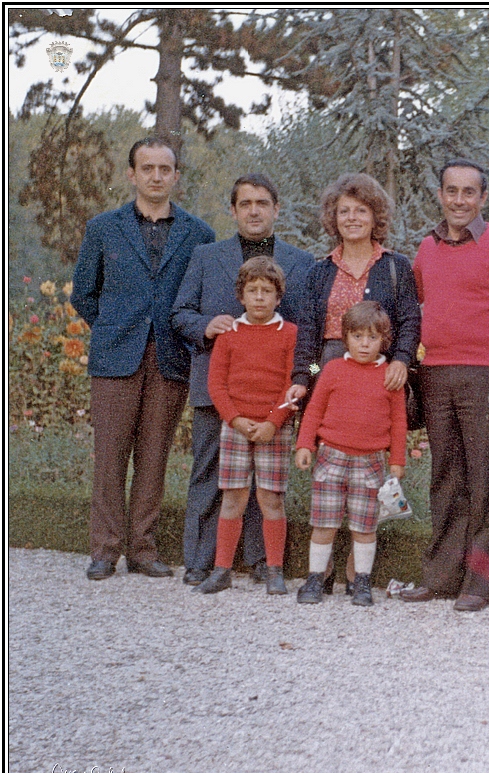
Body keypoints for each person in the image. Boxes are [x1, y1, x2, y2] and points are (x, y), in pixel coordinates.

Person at [71, 137, 216, 581]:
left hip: (171, 357)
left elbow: (198, 298)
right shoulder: (103, 228)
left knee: (154, 457)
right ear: (132, 174)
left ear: (176, 176)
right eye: (147, 168)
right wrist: (116, 327)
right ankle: (104, 549)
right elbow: (83, 294)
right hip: (116, 356)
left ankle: (143, 549)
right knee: (110, 456)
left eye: (164, 169)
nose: (156, 176)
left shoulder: (198, 233)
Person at [398, 159, 489, 612]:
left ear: (483, 198)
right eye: (451, 191)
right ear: (441, 194)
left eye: (469, 192)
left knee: (483, 479)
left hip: (487, 376)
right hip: (436, 373)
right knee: (444, 477)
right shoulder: (426, 248)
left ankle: (480, 582)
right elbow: (415, 310)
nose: (459, 200)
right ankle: (440, 576)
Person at [172, 173, 315, 587]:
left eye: (262, 202)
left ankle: (259, 561)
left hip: (273, 396)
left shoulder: (301, 261)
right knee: (211, 475)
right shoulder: (206, 256)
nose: (254, 210)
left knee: (266, 486)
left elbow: (304, 328)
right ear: (233, 210)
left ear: (276, 209)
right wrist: (206, 324)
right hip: (219, 390)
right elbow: (179, 312)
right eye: (245, 203)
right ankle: (202, 559)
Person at [285, 173, 420, 594]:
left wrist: (401, 360)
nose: (352, 218)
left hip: (379, 371)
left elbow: (411, 321)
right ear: (333, 218)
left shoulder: (396, 267)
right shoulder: (319, 270)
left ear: (375, 216)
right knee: (330, 473)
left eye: (361, 210)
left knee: (367, 473)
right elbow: (307, 330)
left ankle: (355, 569)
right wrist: (303, 379)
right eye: (344, 211)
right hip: (328, 371)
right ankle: (318, 571)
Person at [193, 257, 297, 596]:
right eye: (252, 291)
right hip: (236, 427)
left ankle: (275, 569)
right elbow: (216, 384)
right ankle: (222, 569)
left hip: (273, 428)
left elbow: (302, 374)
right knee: (233, 499)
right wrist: (235, 419)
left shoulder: (290, 334)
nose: (259, 298)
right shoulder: (229, 335)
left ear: (278, 297)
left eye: (267, 291)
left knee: (271, 500)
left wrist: (274, 421)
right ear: (241, 296)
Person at [293, 301, 408, 607]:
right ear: (345, 338)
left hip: (370, 462)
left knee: (364, 526)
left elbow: (399, 421)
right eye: (357, 337)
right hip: (331, 457)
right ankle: (315, 577)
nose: (364, 344)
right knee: (324, 523)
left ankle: (361, 581)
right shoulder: (330, 369)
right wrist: (305, 444)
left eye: (372, 338)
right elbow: (314, 410)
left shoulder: (390, 375)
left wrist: (397, 460)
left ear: (383, 340)